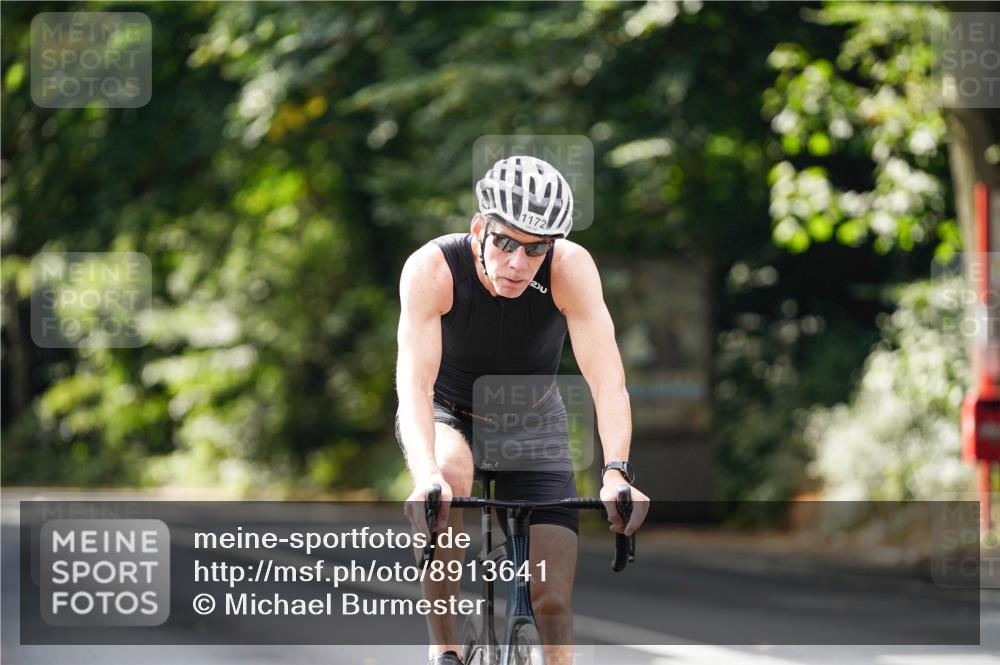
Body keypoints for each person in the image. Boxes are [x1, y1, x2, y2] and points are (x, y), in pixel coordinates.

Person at [396, 155, 650, 665]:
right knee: (449, 473)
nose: (518, 263)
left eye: (535, 250)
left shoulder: (570, 269)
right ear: (479, 229)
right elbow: (415, 385)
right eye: (504, 242)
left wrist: (617, 472)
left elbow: (607, 381)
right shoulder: (434, 269)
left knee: (552, 601)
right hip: (450, 413)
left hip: (533, 420)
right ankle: (443, 644)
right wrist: (426, 477)